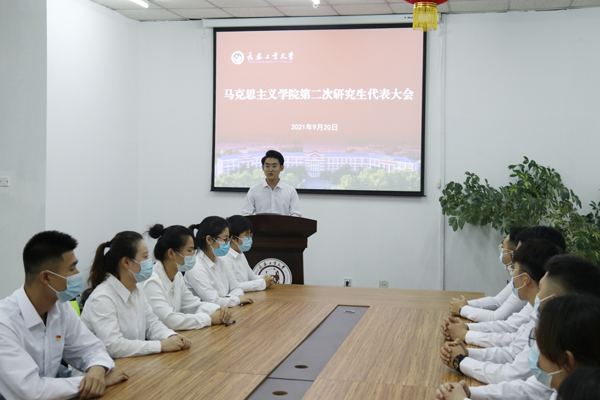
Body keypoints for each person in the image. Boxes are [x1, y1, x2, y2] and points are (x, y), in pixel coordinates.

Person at [0, 231, 128, 400]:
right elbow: (30, 391)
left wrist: (98, 370)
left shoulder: (60, 307)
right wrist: (94, 382)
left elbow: (92, 348)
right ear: (46, 277)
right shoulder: (4, 323)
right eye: (72, 268)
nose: (77, 274)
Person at [440, 239, 563, 384]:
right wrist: (467, 347)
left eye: (514, 268)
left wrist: (462, 355)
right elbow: (513, 347)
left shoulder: (551, 322)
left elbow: (512, 373)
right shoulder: (539, 310)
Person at [437, 295, 600, 400]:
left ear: (566, 360)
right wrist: (470, 393)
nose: (535, 354)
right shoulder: (564, 384)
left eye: (541, 349)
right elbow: (528, 390)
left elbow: (513, 371)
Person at [443, 226, 568, 343]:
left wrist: (463, 314)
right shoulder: (533, 291)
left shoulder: (537, 292)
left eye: (517, 253)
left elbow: (505, 326)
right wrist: (465, 323)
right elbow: (501, 307)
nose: (514, 258)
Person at [81, 231, 191, 359]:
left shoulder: (136, 288)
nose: (149, 262)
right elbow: (114, 347)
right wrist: (161, 345)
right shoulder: (102, 297)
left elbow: (152, 324)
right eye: (145, 257)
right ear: (126, 262)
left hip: (132, 362)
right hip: (100, 368)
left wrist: (171, 336)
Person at [143, 224, 232, 330]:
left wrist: (218, 309)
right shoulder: (152, 280)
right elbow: (169, 321)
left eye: (194, 250)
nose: (193, 255)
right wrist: (209, 319)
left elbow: (193, 305)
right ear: (171, 253)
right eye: (190, 251)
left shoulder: (177, 275)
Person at [448, 226, 528, 322]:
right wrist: (466, 304)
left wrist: (462, 309)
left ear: (513, 253)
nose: (501, 250)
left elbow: (497, 317)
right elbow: (498, 301)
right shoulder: (519, 276)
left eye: (503, 247)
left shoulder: (525, 281)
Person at [185, 217, 254, 307]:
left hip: (225, 310)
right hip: (206, 314)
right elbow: (213, 301)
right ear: (209, 240)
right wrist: (235, 299)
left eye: (228, 239)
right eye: (224, 239)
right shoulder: (196, 266)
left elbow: (237, 288)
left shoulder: (221, 260)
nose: (228, 243)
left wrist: (226, 299)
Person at [242, 150, 302, 217]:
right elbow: (246, 214)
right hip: (261, 224)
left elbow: (296, 215)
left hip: (283, 224)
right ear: (263, 168)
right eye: (267, 166)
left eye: (274, 166)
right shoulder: (254, 190)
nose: (270, 170)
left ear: (281, 168)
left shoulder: (290, 191)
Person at [223, 215, 274, 292]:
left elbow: (252, 277)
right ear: (233, 238)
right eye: (246, 235)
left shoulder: (240, 254)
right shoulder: (224, 257)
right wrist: (262, 283)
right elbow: (234, 286)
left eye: (250, 235)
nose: (249, 239)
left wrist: (266, 278)